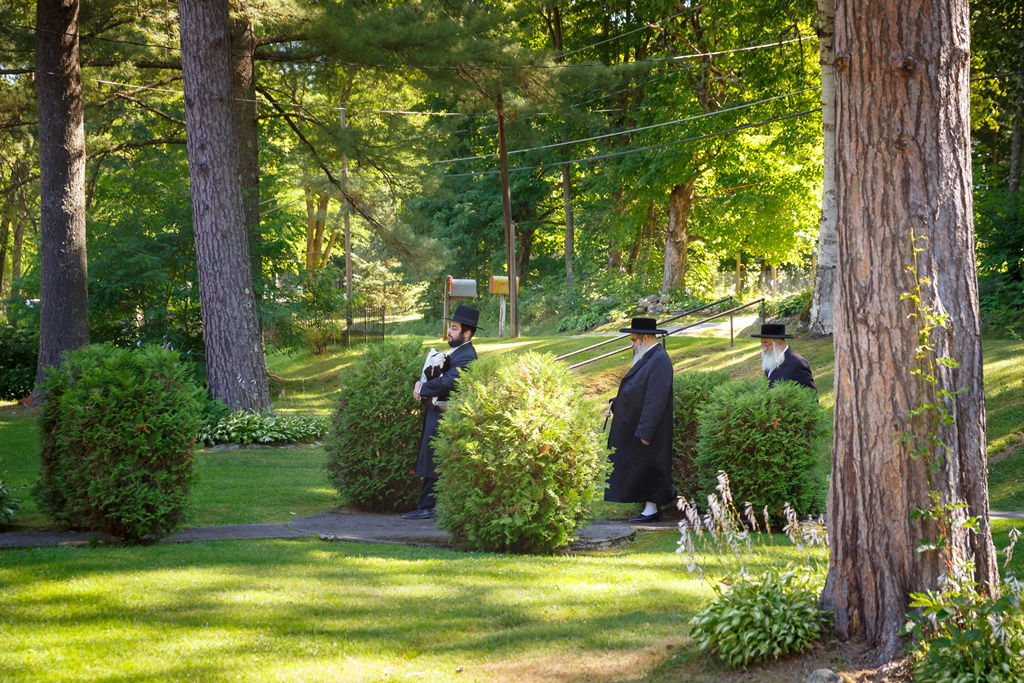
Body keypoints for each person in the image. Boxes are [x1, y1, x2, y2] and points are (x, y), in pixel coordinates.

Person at [402, 304, 480, 520]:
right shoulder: (457, 352)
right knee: (430, 458)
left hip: (447, 415)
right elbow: (439, 374)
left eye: (455, 328)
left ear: (467, 332)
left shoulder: (467, 355)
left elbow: (450, 381)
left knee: (434, 459)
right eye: (450, 327)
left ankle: (427, 507)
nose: (449, 332)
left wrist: (423, 388)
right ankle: (427, 506)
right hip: (437, 412)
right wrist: (421, 382)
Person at [605, 317, 675, 523]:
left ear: (645, 338)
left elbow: (657, 398)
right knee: (640, 466)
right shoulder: (649, 357)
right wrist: (617, 402)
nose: (632, 344)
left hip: (649, 428)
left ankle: (651, 510)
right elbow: (637, 390)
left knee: (650, 466)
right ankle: (648, 508)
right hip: (637, 425)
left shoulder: (659, 359)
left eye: (634, 340)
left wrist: (646, 430)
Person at [751, 323, 816, 391]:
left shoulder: (797, 363)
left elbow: (810, 395)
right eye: (762, 344)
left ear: (780, 343)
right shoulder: (771, 359)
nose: (764, 349)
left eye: (767, 344)